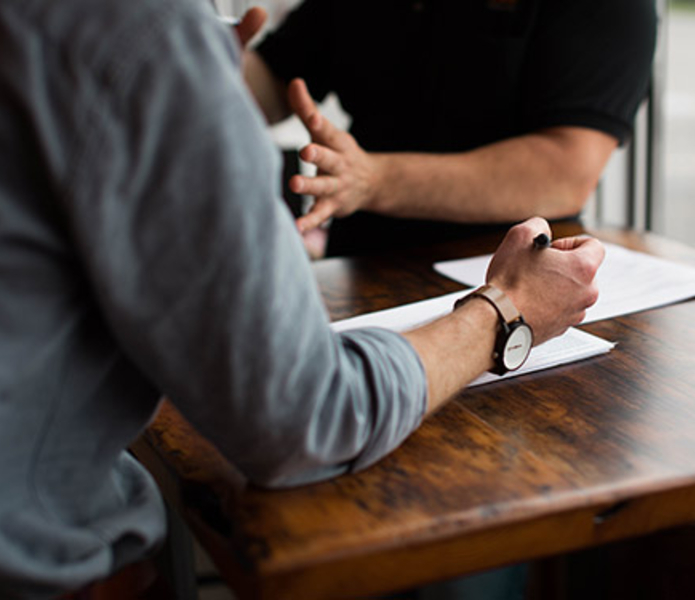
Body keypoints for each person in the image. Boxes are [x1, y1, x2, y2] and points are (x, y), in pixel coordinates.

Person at [0, 0, 604, 597]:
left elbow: (568, 166)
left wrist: (196, 82)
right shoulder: (140, 31)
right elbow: (302, 415)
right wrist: (506, 311)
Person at [242, 0, 658, 256]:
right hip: (362, 268)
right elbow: (276, 79)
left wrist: (372, 179)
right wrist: (202, 70)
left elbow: (565, 170)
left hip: (510, 281)